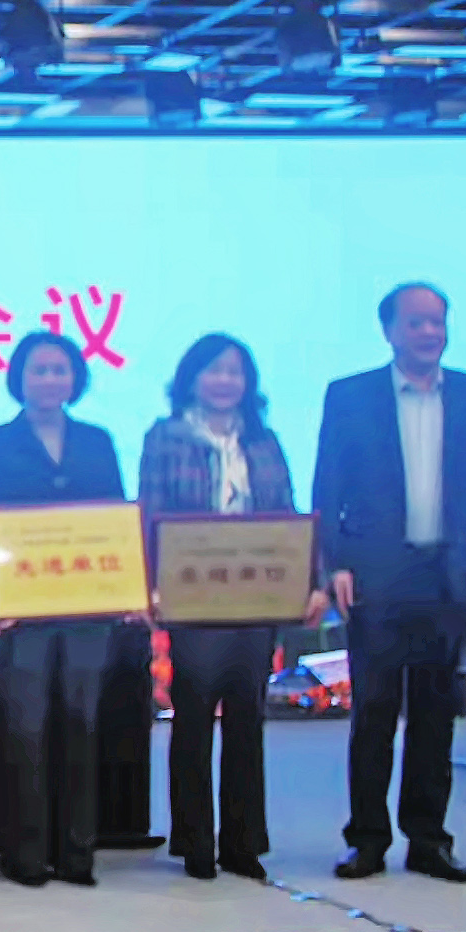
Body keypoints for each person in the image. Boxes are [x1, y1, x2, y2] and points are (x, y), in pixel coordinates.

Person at [315, 283, 466, 884]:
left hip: (448, 578)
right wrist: (333, 565)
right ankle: (367, 840)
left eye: (438, 322)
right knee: (374, 714)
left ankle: (429, 840)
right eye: (416, 323)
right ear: (389, 331)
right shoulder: (351, 396)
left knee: (436, 716)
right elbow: (328, 486)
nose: (430, 333)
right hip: (377, 577)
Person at [138, 334, 321, 882]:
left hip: (256, 596)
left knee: (247, 718)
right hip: (194, 595)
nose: (224, 381)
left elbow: (287, 514)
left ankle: (243, 843)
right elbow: (149, 511)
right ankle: (195, 840)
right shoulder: (166, 436)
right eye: (213, 370)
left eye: (234, 372)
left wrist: (309, 581)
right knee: (194, 716)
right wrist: (149, 583)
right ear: (191, 378)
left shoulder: (263, 441)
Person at [0, 331, 125, 888]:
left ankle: (78, 853)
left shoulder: (98, 441)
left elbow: (114, 520)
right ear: (19, 378)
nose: (50, 380)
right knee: (26, 729)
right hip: (22, 609)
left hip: (86, 608)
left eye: (60, 370)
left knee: (82, 724)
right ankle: (25, 854)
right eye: (39, 370)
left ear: (76, 378)